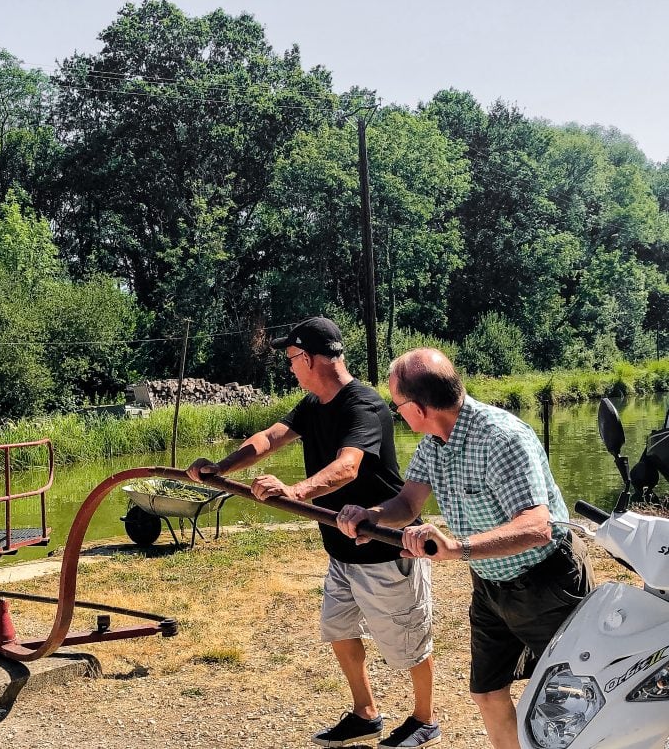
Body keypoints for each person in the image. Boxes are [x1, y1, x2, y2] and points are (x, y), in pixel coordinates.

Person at [186, 317, 440, 749]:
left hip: (382, 543)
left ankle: (424, 720)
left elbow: (349, 465)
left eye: (292, 359)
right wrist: (220, 467)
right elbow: (270, 436)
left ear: (313, 358)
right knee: (338, 629)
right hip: (340, 546)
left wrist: (295, 490)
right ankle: (365, 714)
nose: (290, 368)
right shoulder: (313, 404)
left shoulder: (364, 405)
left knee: (408, 640)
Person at [336, 348, 595, 749]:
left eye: (397, 404)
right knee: (487, 693)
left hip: (547, 582)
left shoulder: (501, 439)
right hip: (491, 585)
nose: (396, 412)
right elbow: (406, 505)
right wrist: (369, 516)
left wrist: (457, 547)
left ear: (419, 407)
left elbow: (537, 527)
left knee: (572, 702)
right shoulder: (433, 443)